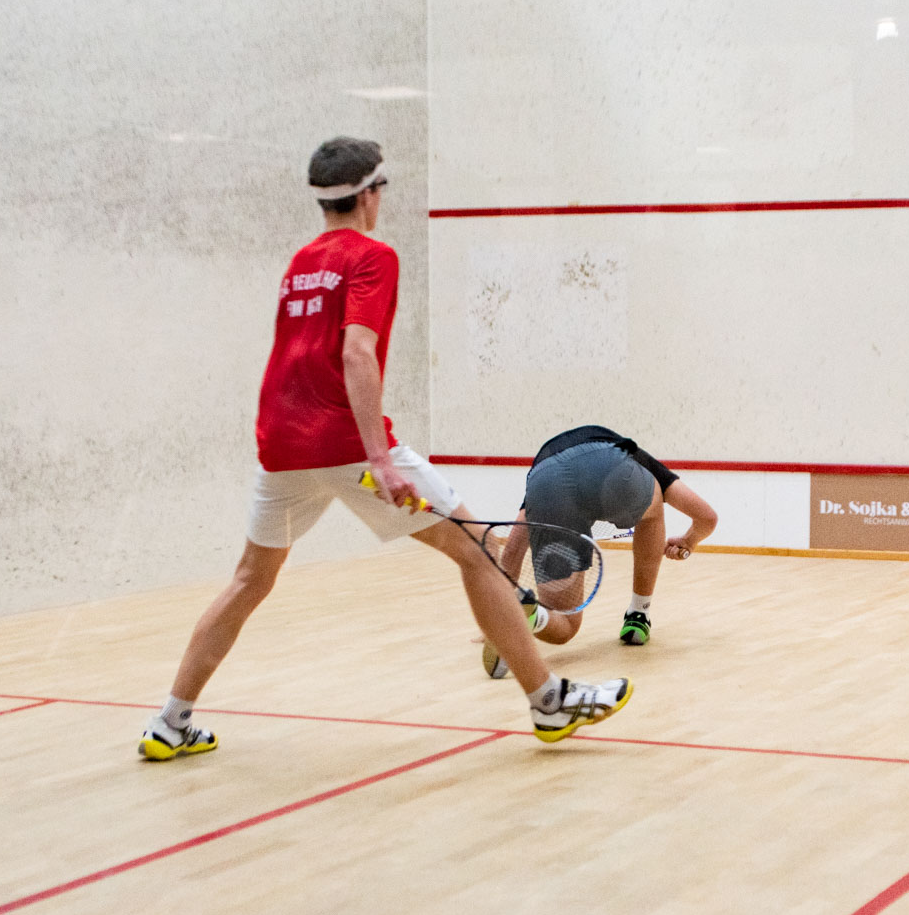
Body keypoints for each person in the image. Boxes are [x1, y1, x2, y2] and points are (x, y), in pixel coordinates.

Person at [141, 138, 634, 760]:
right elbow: (356, 351)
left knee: (249, 579)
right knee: (480, 553)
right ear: (370, 194)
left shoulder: (301, 263)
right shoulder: (374, 256)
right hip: (348, 444)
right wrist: (378, 457)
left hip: (281, 444)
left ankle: (171, 720)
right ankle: (548, 702)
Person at [482, 426, 717, 678]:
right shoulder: (637, 458)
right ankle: (639, 613)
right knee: (654, 503)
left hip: (546, 482)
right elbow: (707, 517)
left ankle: (532, 613)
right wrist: (688, 541)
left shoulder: (544, 473)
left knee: (564, 624)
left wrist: (497, 616)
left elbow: (513, 549)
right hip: (609, 465)